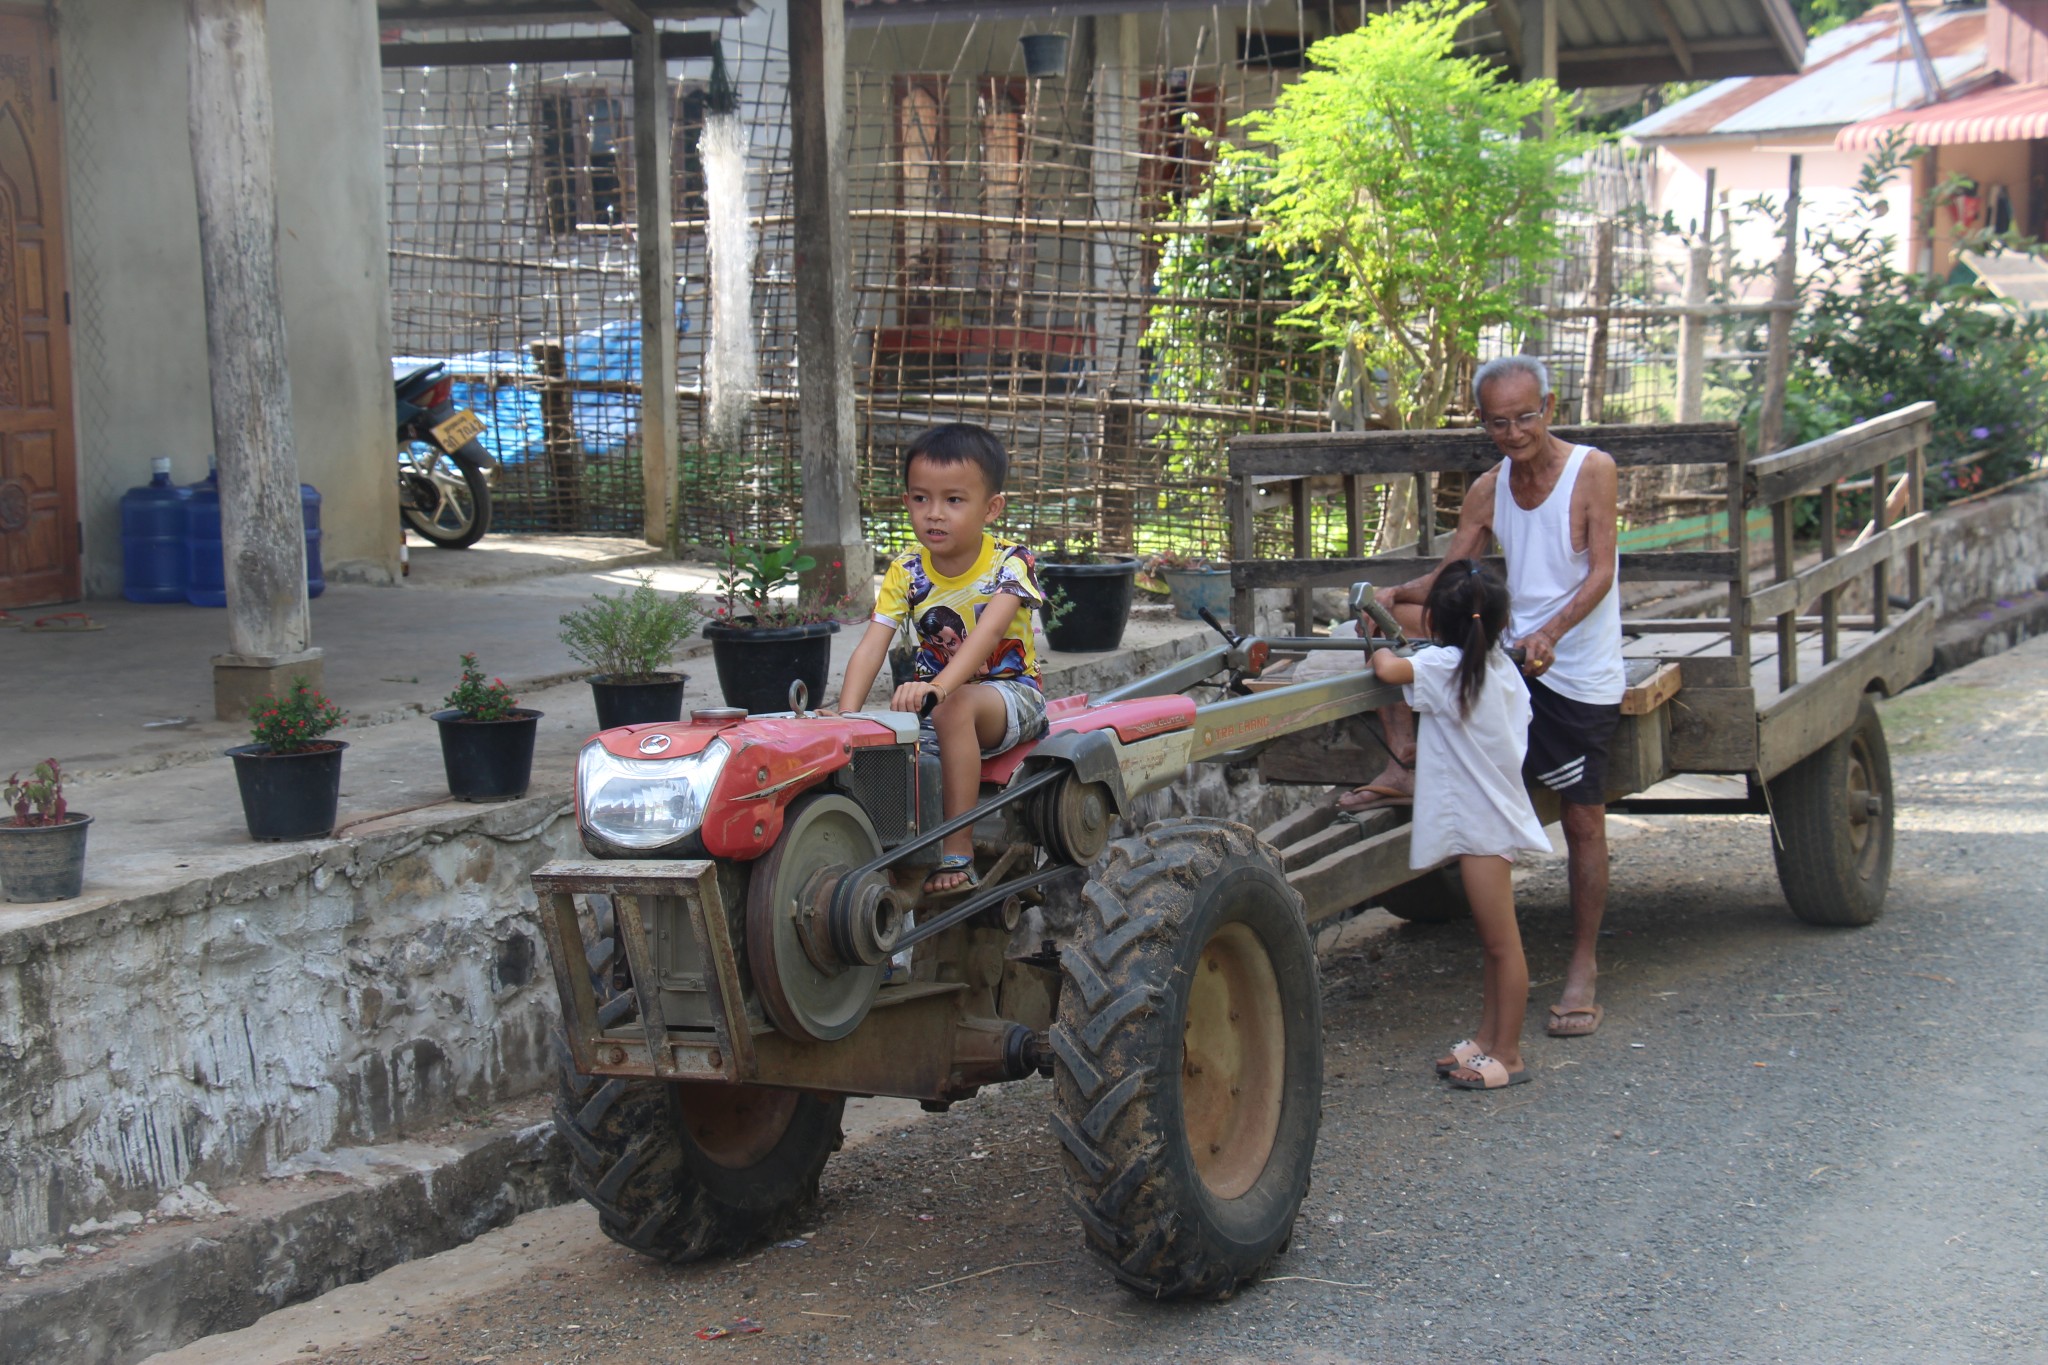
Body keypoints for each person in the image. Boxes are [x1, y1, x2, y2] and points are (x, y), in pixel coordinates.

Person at [1343, 354, 1623, 1040]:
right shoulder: (1489, 488)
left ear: (1549, 408)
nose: (1515, 431)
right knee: (1378, 623)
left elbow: (1602, 573)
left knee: (1583, 818)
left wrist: (1552, 631)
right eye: (1500, 421)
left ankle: (1583, 962)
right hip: (1507, 654)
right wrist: (1393, 597)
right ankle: (1403, 758)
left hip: (1575, 664)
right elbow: (1450, 574)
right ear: (1484, 422)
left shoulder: (1592, 471)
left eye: (1527, 416)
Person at [832, 423, 1050, 895]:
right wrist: (846, 719)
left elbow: (987, 634)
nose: (934, 514)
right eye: (920, 499)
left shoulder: (1010, 563)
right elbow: (873, 644)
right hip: (938, 705)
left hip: (1011, 696)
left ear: (991, 508)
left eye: (953, 500)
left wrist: (939, 688)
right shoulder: (906, 572)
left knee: (954, 708)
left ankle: (959, 847)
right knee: (880, 745)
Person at [1370, 561, 1549, 1088]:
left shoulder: (1446, 666)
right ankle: (1489, 1039)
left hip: (1483, 826)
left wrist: (1376, 639)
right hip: (1486, 818)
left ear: (1434, 622)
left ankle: (1509, 1054)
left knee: (1501, 944)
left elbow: (1387, 670)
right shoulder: (1494, 665)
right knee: (1493, 944)